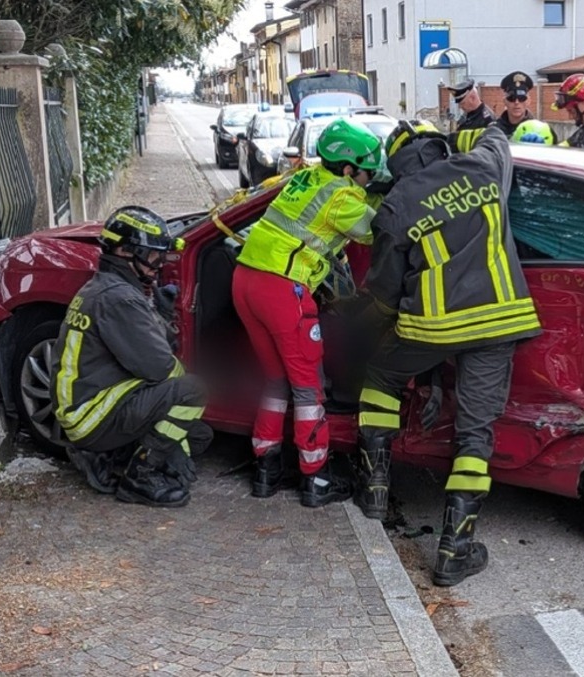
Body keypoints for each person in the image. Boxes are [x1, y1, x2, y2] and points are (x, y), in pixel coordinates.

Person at [353, 121, 541, 586]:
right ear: (436, 145)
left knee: (379, 377)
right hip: (499, 321)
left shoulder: (395, 205)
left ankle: (374, 489)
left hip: (432, 328)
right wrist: (454, 137)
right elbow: (495, 134)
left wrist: (360, 326)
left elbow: (384, 292)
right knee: (474, 432)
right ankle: (454, 550)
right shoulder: (483, 165)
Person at [231, 117, 382, 507]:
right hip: (283, 288)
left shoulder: (306, 177)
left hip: (245, 280)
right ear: (349, 169)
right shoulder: (344, 198)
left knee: (275, 381)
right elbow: (379, 231)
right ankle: (315, 479)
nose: (368, 178)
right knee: (309, 389)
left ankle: (266, 468)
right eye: (367, 171)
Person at [53, 206, 211, 508]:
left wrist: (158, 313)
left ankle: (110, 456)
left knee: (200, 436)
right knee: (194, 391)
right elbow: (160, 367)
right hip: (93, 415)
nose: (159, 264)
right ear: (126, 251)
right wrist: (166, 450)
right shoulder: (120, 299)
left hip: (90, 406)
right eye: (152, 256)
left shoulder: (108, 287)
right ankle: (140, 476)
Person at [493, 71, 535, 137]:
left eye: (521, 98)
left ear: (528, 101)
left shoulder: (536, 130)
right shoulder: (494, 130)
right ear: (505, 101)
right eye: (512, 98)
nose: (516, 102)